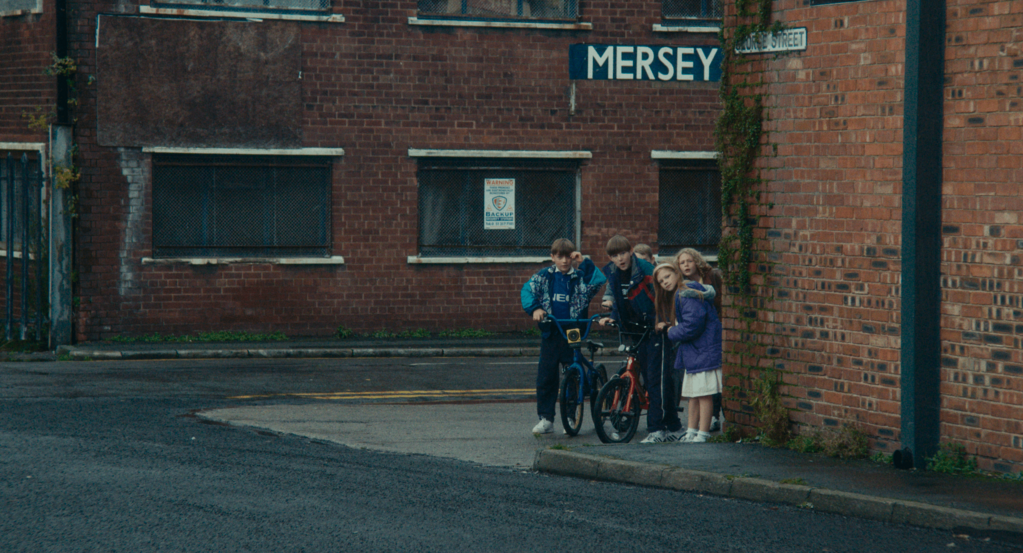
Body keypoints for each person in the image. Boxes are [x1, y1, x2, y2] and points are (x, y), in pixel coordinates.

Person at [597, 235, 680, 443]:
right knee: (640, 374)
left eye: (623, 253)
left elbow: (663, 297)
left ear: (630, 251)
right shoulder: (614, 272)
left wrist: (662, 321)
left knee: (656, 379)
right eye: (614, 256)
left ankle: (658, 429)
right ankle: (670, 423)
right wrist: (612, 318)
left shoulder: (645, 270)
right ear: (610, 257)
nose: (620, 259)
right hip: (635, 330)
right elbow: (619, 300)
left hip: (655, 329)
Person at [521, 238, 606, 434]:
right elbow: (527, 290)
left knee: (573, 372)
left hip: (573, 330)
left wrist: (583, 261)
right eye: (560, 257)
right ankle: (546, 419)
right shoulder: (545, 276)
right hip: (551, 330)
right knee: (546, 376)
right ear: (552, 257)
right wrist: (535, 309)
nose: (565, 261)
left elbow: (599, 279)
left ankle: (570, 415)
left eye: (568, 257)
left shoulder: (580, 276)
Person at [670, 248, 724, 442]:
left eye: (689, 261)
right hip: (694, 349)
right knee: (694, 393)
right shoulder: (684, 288)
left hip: (704, 345)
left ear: (697, 262)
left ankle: (703, 431)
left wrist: (672, 331)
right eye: (681, 262)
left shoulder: (698, 286)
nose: (685, 264)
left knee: (704, 392)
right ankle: (692, 430)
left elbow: (694, 323)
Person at [602, 243, 654, 309]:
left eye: (643, 260)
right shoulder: (618, 272)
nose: (638, 264)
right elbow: (611, 288)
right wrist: (609, 300)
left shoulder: (650, 272)